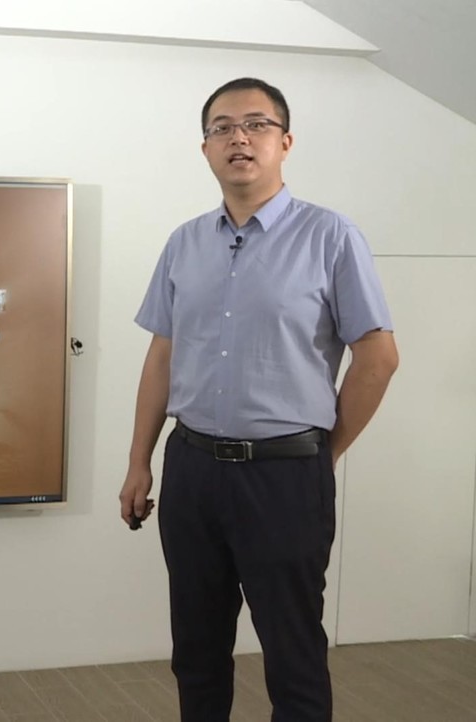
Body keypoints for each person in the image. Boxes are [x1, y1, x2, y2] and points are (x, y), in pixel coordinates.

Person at [119, 78, 399, 721]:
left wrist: (321, 454)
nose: (238, 138)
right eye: (222, 127)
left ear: (285, 142)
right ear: (205, 148)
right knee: (196, 650)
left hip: (285, 475)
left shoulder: (331, 236)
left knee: (292, 653)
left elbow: (379, 358)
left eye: (255, 124)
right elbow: (161, 357)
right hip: (192, 470)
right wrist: (139, 461)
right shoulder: (184, 242)